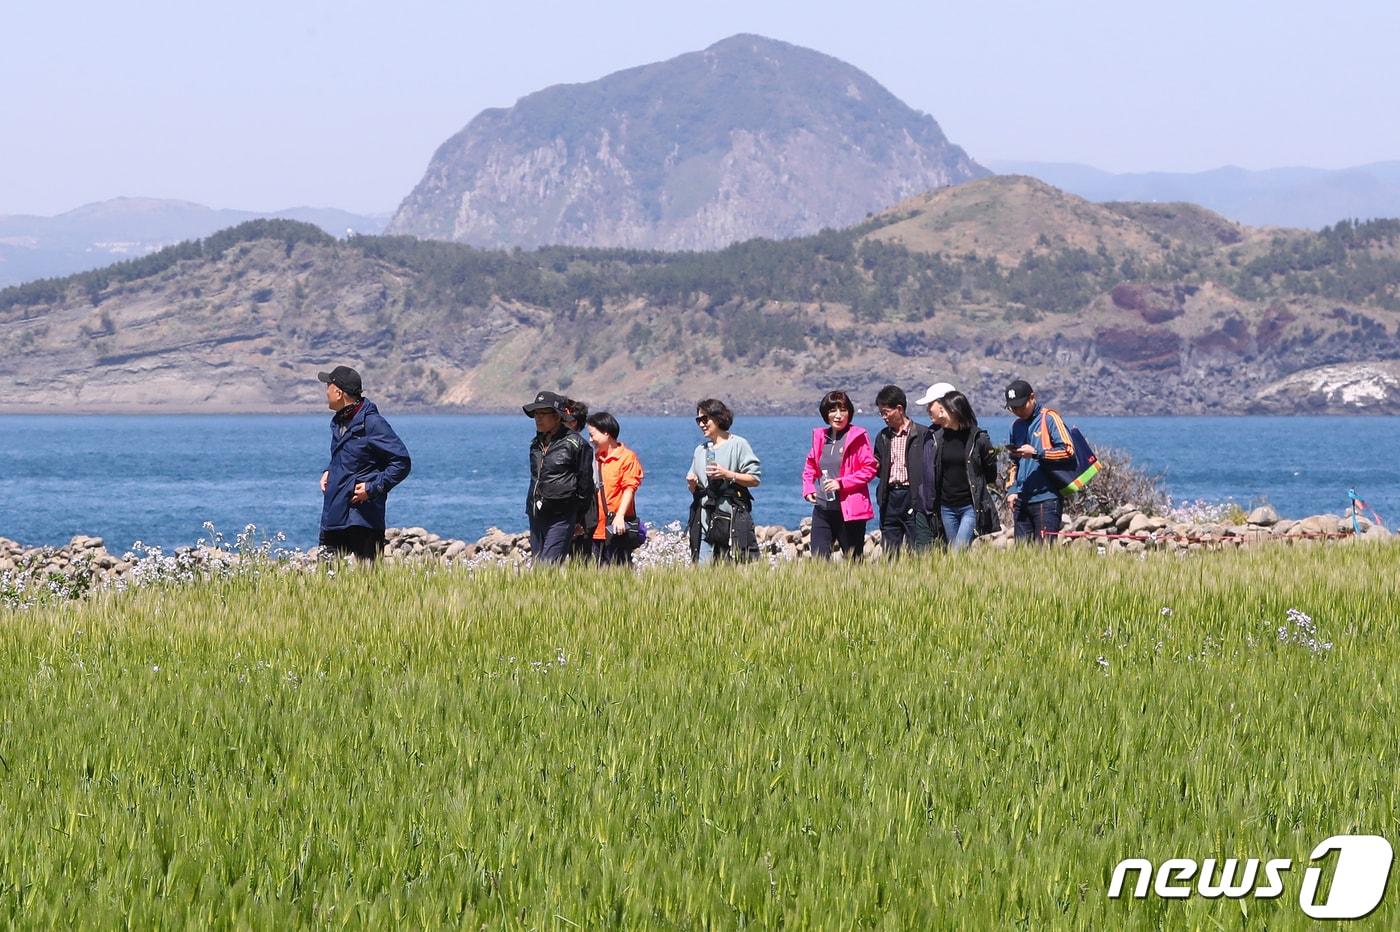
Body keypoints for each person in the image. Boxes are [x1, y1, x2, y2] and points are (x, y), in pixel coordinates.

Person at [317, 365, 412, 561]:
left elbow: (401, 462)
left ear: (338, 392)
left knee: (368, 583)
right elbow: (350, 457)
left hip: (364, 519)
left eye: (328, 386)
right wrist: (330, 471)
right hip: (335, 515)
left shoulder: (373, 423)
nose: (325, 392)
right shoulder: (339, 421)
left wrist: (372, 488)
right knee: (326, 582)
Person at [801, 390, 877, 560]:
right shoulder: (821, 436)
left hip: (849, 512)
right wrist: (808, 487)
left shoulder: (858, 436)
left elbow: (869, 469)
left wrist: (841, 483)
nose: (838, 415)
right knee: (819, 561)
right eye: (832, 410)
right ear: (825, 414)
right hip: (823, 509)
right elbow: (810, 465)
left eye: (843, 410)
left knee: (854, 562)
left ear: (849, 412)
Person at [523, 390, 595, 564]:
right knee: (537, 566)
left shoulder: (577, 445)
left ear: (557, 416)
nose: (538, 418)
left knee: (548, 567)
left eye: (543, 413)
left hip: (562, 516)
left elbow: (585, 487)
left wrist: (577, 519)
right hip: (536, 514)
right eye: (535, 414)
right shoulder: (536, 445)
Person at [686, 399, 762, 562]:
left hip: (731, 521)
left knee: (735, 570)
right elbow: (696, 490)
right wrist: (692, 484)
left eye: (705, 419)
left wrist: (727, 474)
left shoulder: (738, 444)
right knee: (703, 574)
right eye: (698, 420)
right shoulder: (700, 450)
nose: (701, 424)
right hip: (705, 521)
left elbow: (754, 479)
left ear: (718, 418)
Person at [1004, 379, 1075, 545]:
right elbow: (1014, 463)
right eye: (1013, 408)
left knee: (1044, 554)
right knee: (1021, 557)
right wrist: (1012, 490)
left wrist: (1036, 453)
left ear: (1032, 397)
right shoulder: (1016, 426)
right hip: (1022, 499)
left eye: (1021, 406)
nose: (1017, 411)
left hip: (1047, 499)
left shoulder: (1049, 418)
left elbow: (1068, 450)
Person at [929, 390, 999, 550]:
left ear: (954, 411)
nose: (940, 415)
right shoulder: (939, 438)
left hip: (970, 506)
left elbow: (991, 473)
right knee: (956, 554)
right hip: (946, 507)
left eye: (943, 411)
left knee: (957, 551)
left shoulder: (978, 438)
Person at [872, 385, 933, 554]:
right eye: (881, 413)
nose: (884, 417)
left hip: (913, 496)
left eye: (886, 412)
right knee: (890, 551)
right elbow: (878, 467)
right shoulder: (883, 436)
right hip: (890, 497)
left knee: (918, 549)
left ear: (899, 409)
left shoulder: (922, 434)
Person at [585, 411, 645, 566]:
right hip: (595, 528)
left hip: (617, 528)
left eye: (593, 435)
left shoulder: (627, 457)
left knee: (620, 570)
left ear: (606, 433)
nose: (590, 440)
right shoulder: (594, 459)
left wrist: (620, 516)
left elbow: (629, 488)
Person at [562, 398, 596, 560]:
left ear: (573, 422)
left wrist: (578, 518)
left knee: (580, 557)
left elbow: (585, 484)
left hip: (580, 512)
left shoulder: (580, 447)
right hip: (564, 510)